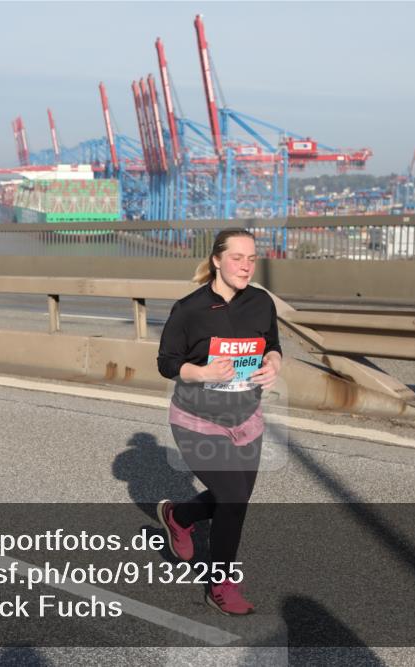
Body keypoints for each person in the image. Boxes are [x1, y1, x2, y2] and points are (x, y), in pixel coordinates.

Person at [156, 228, 282, 616]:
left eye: (251, 258)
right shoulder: (190, 308)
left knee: (236, 499)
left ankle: (179, 516)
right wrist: (203, 374)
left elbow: (273, 345)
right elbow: (167, 363)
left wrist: (274, 363)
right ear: (216, 260)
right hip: (197, 419)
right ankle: (220, 584)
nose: (245, 266)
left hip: (247, 417)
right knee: (231, 498)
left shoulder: (261, 302)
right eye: (236, 258)